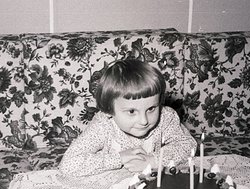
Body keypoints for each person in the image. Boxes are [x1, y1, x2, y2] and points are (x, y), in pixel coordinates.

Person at [58, 59, 197, 177]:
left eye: (151, 109)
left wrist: (154, 160)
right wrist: (119, 158)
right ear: (109, 110)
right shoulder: (103, 125)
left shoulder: (165, 117)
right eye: (131, 111)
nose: (144, 121)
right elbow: (68, 164)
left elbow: (188, 145)